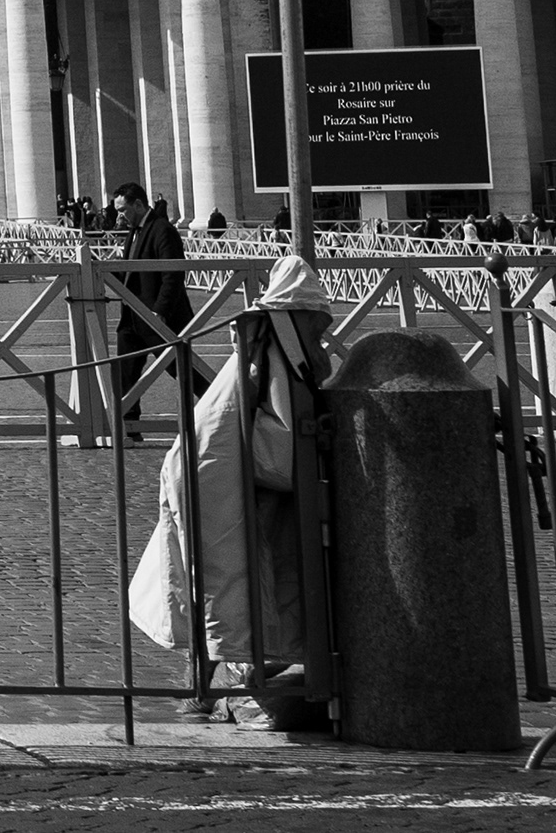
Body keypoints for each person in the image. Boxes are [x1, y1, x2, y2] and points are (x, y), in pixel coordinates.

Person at [129, 254, 330, 729]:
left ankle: (219, 683)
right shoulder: (278, 353)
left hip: (213, 473)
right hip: (216, 478)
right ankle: (222, 689)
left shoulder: (263, 347)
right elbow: (283, 453)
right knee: (229, 585)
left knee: (225, 584)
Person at [109, 180, 191, 423]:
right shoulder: (134, 232)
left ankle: (222, 409)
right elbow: (131, 273)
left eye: (123, 210)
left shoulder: (162, 229)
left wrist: (160, 312)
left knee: (184, 372)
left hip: (157, 319)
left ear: (138, 204)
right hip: (132, 318)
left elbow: (173, 275)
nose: (119, 217)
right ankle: (129, 425)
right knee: (125, 374)